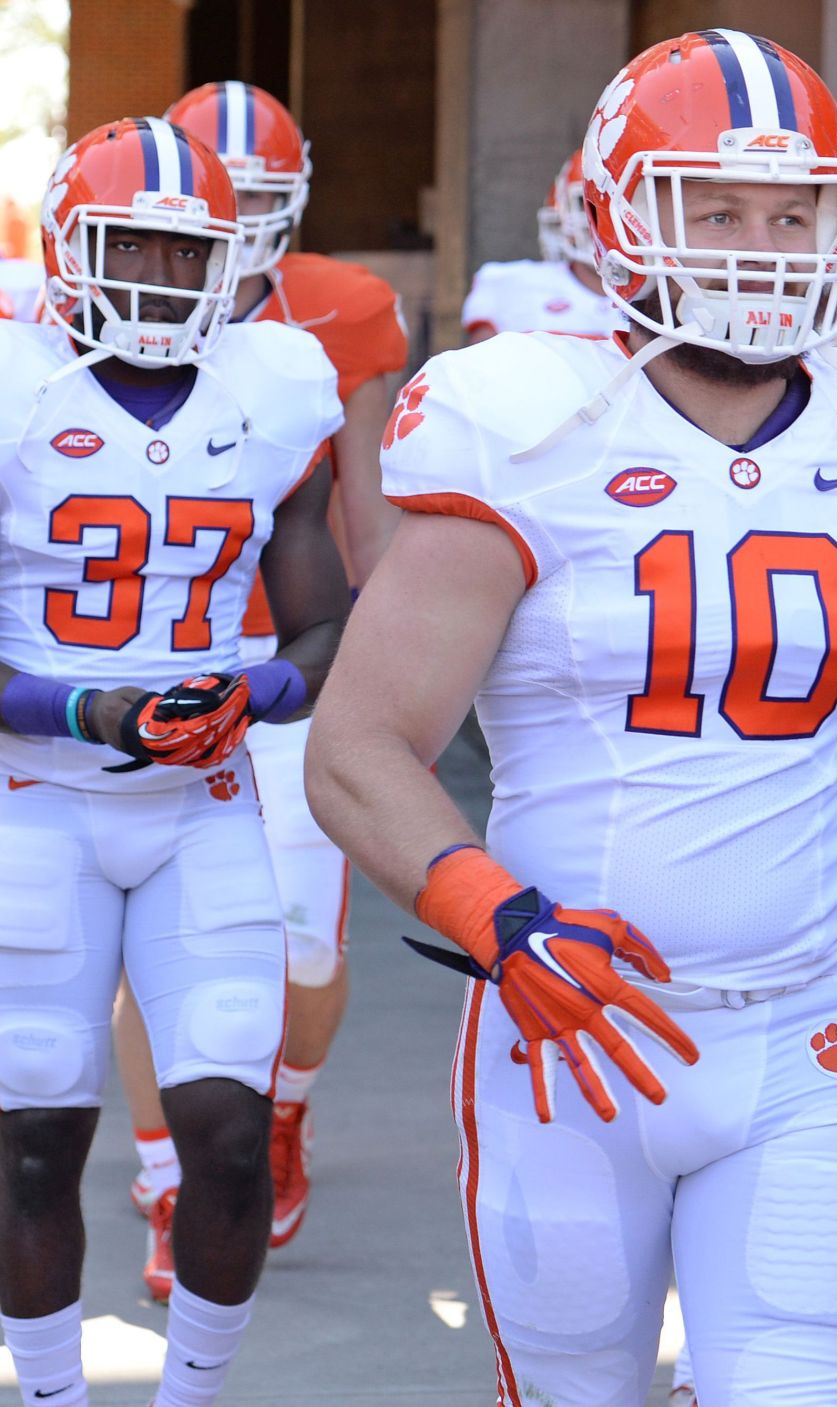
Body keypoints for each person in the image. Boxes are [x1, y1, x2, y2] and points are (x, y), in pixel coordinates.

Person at [307, 28, 837, 1405]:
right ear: (618, 211)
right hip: (570, 1036)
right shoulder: (525, 424)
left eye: (791, 212)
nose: (760, 246)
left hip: (811, 1026)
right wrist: (496, 910)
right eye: (715, 207)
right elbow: (359, 745)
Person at [0, 117, 347, 1407]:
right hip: (35, 800)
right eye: (126, 240)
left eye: (180, 247)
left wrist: (255, 687)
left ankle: (192, 1397)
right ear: (68, 245)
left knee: (227, 1137)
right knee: (36, 1141)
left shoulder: (275, 383)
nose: (152, 270)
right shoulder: (15, 382)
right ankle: (50, 1396)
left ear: (234, 259)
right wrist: (81, 713)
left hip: (201, 803)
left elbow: (325, 610)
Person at [110, 80, 407, 1279]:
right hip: (131, 666)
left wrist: (391, 679)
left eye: (263, 204)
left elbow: (371, 513)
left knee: (305, 952)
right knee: (149, 941)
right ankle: (171, 1179)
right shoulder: (81, 302)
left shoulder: (339, 316)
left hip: (291, 666)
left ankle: (280, 1106)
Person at [461, 148, 621, 344]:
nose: (604, 218)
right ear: (561, 213)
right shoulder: (514, 286)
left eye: (618, 204)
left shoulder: (662, 295)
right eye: (586, 204)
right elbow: (479, 368)